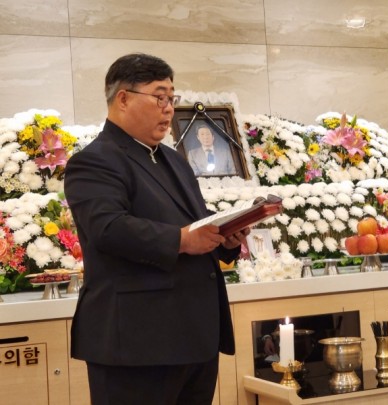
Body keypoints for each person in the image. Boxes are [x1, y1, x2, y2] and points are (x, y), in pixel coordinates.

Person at [64, 53, 249, 405]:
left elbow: (195, 220)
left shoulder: (173, 159)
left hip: (194, 336)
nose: (168, 109)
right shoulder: (95, 160)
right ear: (123, 98)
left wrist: (226, 235)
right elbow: (108, 228)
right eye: (159, 97)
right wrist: (182, 240)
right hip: (136, 342)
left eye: (172, 98)